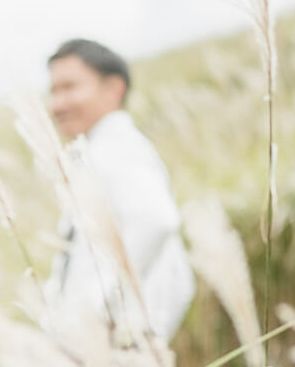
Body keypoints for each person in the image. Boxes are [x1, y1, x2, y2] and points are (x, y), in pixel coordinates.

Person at [44, 37, 195, 345]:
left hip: (120, 348)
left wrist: (99, 310)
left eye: (69, 87)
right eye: (53, 91)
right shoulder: (97, 149)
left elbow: (156, 221)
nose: (57, 104)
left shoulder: (117, 147)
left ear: (114, 88)